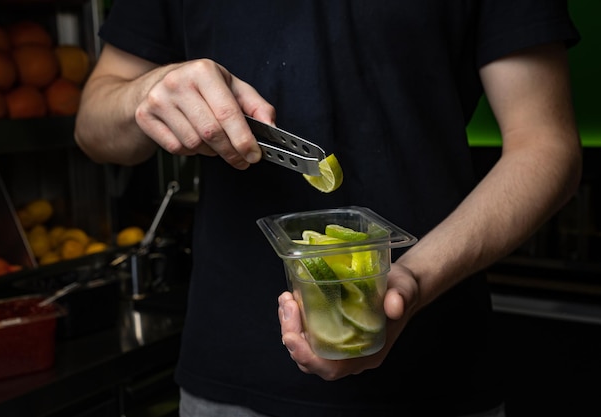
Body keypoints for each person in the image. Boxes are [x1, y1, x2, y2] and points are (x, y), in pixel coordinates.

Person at [74, 1, 582, 416]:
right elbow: (94, 127)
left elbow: (545, 146)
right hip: (231, 381)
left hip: (439, 375)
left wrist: (412, 281)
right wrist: (146, 91)